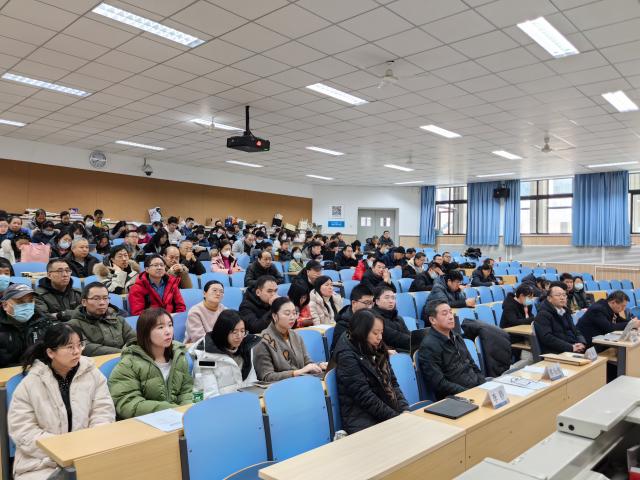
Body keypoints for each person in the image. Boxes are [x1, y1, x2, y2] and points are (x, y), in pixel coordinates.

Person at [8, 323, 115, 480]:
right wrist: (62, 450)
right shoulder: (30, 384)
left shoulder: (93, 374)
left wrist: (89, 445)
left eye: (79, 345)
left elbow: (103, 413)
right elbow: (23, 430)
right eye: (70, 347)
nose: (77, 351)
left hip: (87, 454)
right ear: (51, 352)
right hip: (41, 462)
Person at [333, 309, 408, 433]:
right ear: (362, 331)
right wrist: (396, 417)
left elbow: (392, 382)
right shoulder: (346, 355)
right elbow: (365, 396)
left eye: (381, 332)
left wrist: (404, 409)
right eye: (375, 333)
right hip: (362, 419)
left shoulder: (377, 347)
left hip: (386, 412)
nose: (380, 337)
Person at [108, 308, 193, 419]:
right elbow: (127, 403)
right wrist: (171, 410)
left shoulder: (178, 357)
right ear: (146, 332)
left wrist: (186, 412)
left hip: (177, 419)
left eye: (170, 325)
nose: (168, 331)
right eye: (160, 327)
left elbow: (186, 391)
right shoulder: (129, 363)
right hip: (145, 423)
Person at [418, 301, 485, 400]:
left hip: (474, 388)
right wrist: (469, 392)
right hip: (455, 397)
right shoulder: (428, 346)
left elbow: (472, 364)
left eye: (450, 312)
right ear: (432, 320)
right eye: (445, 314)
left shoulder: (457, 336)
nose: (450, 317)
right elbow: (439, 383)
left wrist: (483, 383)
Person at [253, 297, 326, 382]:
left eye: (294, 313)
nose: (292, 317)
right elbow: (267, 376)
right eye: (287, 314)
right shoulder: (263, 341)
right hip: (281, 387)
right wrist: (296, 373)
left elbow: (307, 363)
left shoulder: (295, 335)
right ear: (275, 316)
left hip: (301, 382)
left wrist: (318, 366)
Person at [193, 310, 261, 397]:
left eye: (242, 331)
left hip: (243, 400)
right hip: (219, 403)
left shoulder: (246, 349)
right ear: (223, 332)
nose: (240, 336)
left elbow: (251, 383)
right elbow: (209, 395)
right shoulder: (205, 358)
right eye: (234, 332)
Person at [68, 282, 136, 356]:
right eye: (96, 299)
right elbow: (86, 348)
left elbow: (133, 339)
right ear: (84, 302)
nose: (102, 302)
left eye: (105, 298)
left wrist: (129, 351)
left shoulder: (119, 319)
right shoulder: (73, 325)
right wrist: (123, 352)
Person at [0, 284, 55, 367]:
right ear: (5, 305)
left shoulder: (44, 321)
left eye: (30, 301)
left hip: (39, 370)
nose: (27, 305)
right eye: (20, 301)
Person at [534, 282, 586, 354]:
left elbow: (575, 330)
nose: (562, 298)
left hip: (571, 346)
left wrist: (581, 342)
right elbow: (547, 338)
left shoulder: (565, 311)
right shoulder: (543, 314)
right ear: (549, 298)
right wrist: (570, 347)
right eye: (558, 295)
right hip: (556, 352)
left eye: (564, 295)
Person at [330, 284, 374, 353]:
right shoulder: (342, 325)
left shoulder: (371, 318)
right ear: (354, 303)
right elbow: (342, 352)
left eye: (371, 303)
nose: (370, 307)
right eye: (366, 303)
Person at [372, 285, 409, 352]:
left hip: (404, 349)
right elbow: (393, 337)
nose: (391, 301)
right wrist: (415, 341)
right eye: (387, 298)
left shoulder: (398, 318)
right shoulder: (375, 319)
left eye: (393, 298)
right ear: (377, 301)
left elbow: (407, 334)